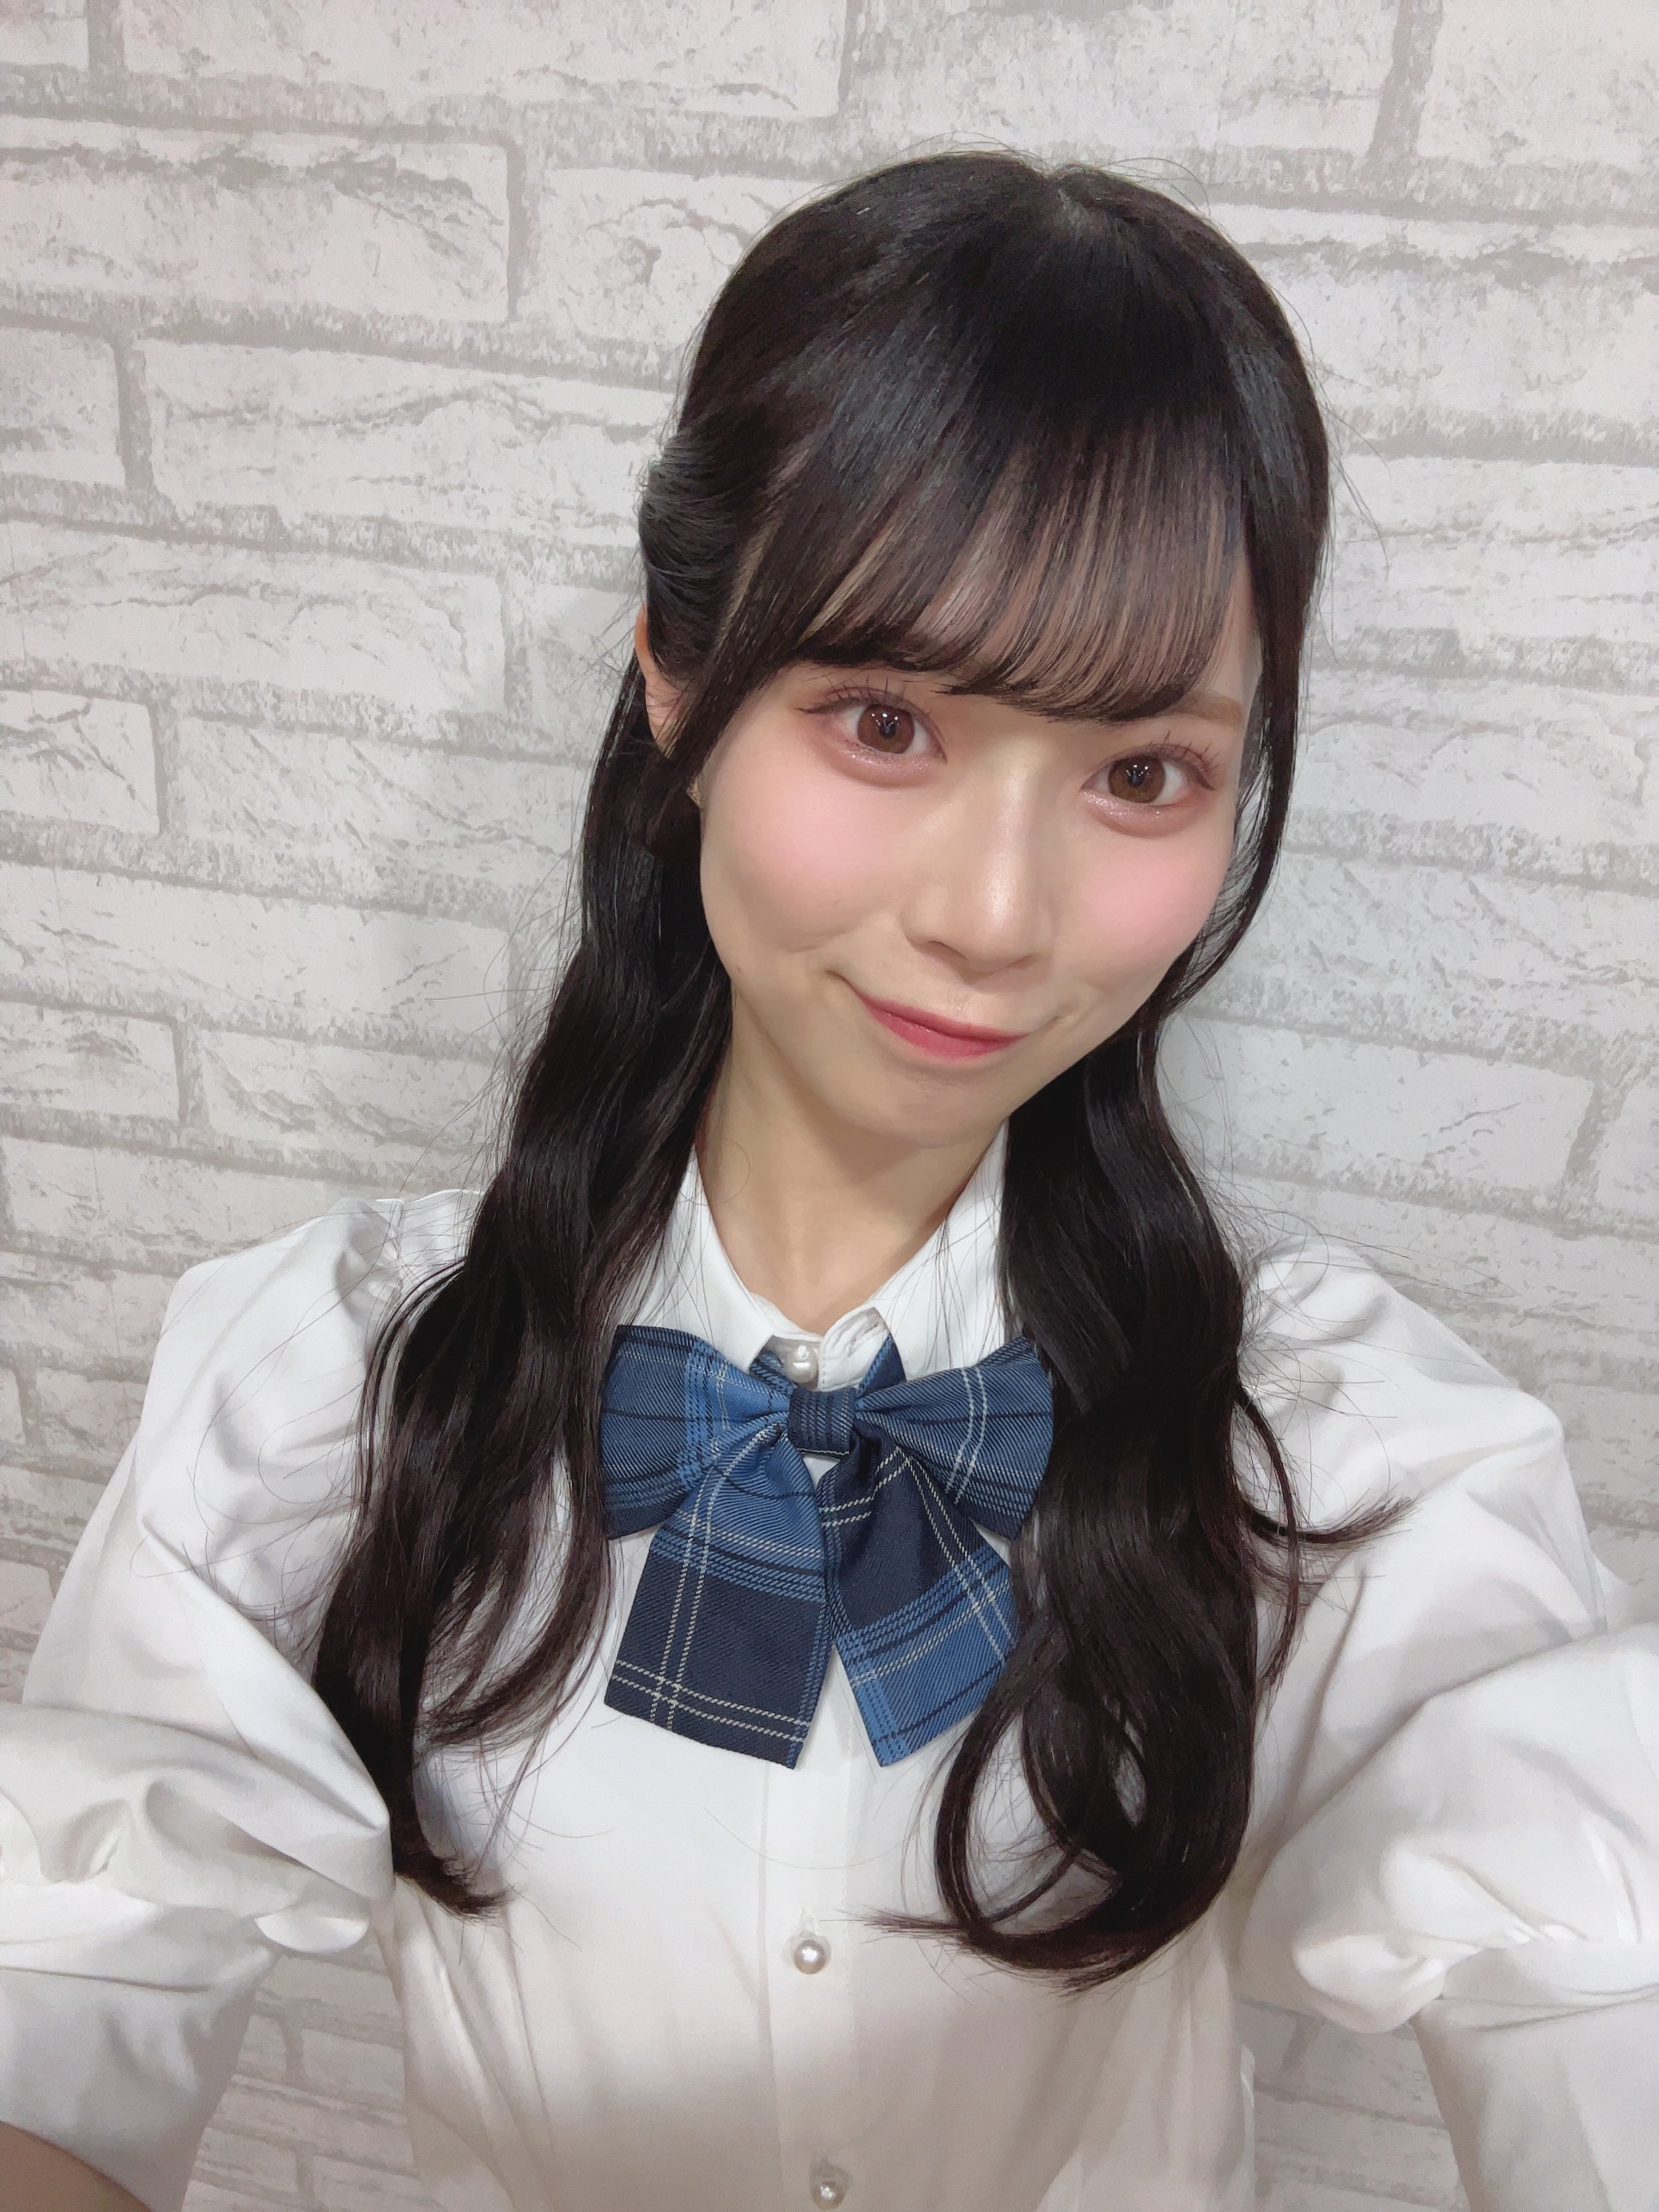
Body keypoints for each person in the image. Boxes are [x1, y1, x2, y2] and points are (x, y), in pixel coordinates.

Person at [1, 152, 1655, 2212]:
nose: (994, 915)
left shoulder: (1332, 1455)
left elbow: (1598, 1963)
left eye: (1143, 771)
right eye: (886, 721)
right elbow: (59, 2004)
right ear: (676, 680)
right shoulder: (328, 1394)